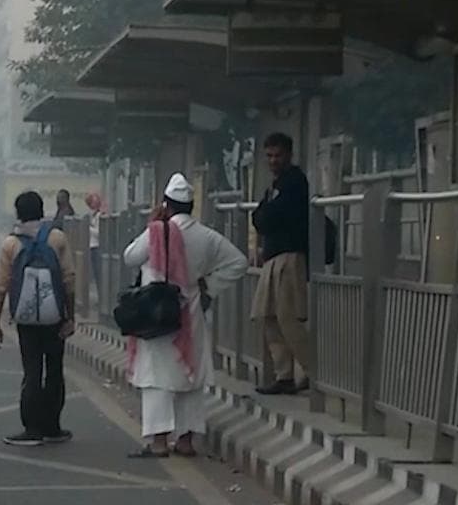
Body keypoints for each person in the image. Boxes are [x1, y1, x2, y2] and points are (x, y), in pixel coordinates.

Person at [124, 173, 248, 458]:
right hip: (188, 311)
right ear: (192, 206)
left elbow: (131, 256)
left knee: (156, 376)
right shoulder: (206, 236)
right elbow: (238, 262)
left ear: (166, 205)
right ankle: (185, 441)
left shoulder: (158, 231)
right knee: (190, 375)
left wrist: (153, 223)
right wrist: (208, 287)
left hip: (155, 312)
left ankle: (158, 441)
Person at [0, 191, 76, 446]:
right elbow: (68, 280)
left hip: (26, 319)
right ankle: (53, 427)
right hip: (55, 317)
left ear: (18, 213)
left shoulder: (11, 244)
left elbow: (1, 286)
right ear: (42, 210)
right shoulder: (57, 238)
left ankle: (32, 428)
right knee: (54, 370)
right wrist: (70, 317)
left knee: (31, 371)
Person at [251, 132, 312, 395]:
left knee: (289, 318)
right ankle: (283, 374)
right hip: (272, 258)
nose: (273, 161)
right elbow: (259, 217)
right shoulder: (274, 185)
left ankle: (313, 372)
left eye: (277, 155)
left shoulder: (294, 182)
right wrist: (264, 215)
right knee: (269, 317)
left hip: (289, 256)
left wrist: (265, 214)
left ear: (288, 155)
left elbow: (271, 216)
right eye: (269, 156)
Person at [85, 192, 105, 307]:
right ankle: (100, 297)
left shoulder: (99, 215)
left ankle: (101, 298)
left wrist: (89, 228)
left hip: (97, 246)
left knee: (99, 274)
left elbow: (99, 233)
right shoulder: (92, 215)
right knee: (96, 274)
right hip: (92, 247)